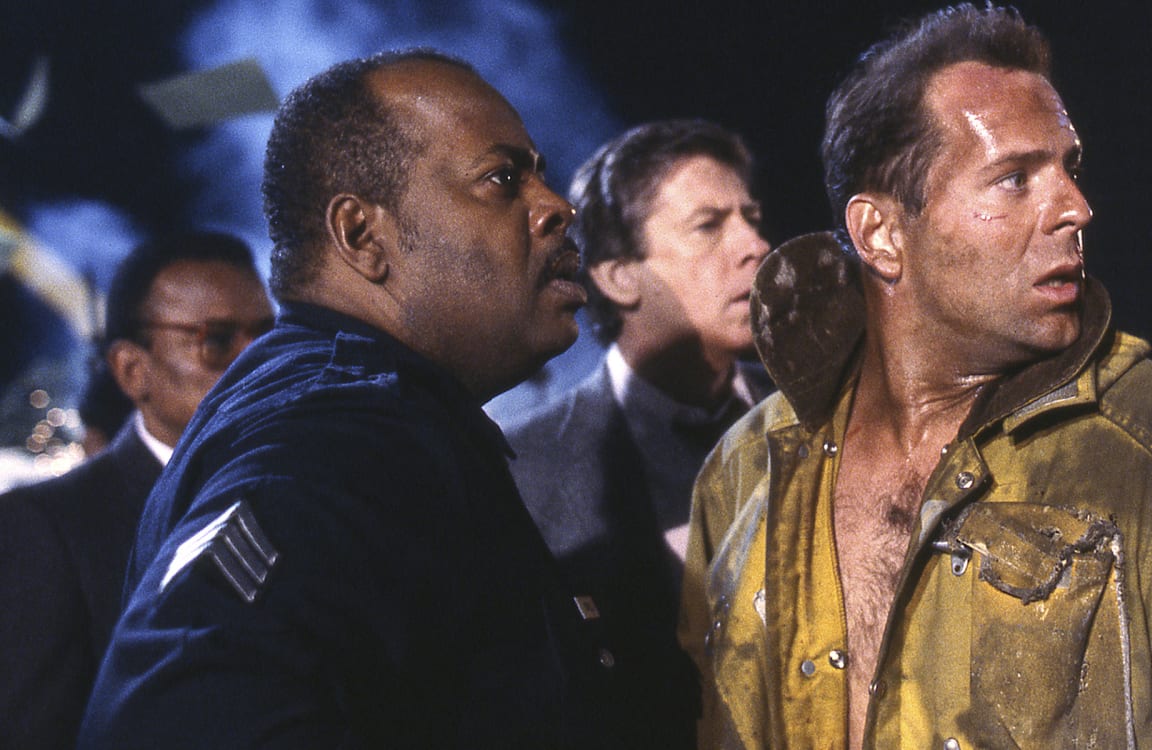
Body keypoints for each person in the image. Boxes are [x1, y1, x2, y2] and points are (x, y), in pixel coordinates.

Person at [679, 6, 1152, 749]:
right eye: (1013, 179)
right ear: (880, 234)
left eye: (1070, 169)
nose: (1076, 208)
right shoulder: (746, 471)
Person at [79, 49, 615, 747]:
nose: (556, 206)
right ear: (362, 236)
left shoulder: (350, 409)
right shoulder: (340, 438)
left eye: (539, 173)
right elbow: (175, 718)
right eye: (502, 179)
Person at [503, 119, 773, 749]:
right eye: (709, 226)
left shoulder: (831, 405)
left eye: (752, 218)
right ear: (618, 276)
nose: (756, 245)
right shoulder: (527, 470)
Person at [0, 230, 272, 749]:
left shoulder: (305, 493)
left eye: (269, 336)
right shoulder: (47, 530)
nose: (257, 361)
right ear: (132, 370)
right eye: (216, 341)